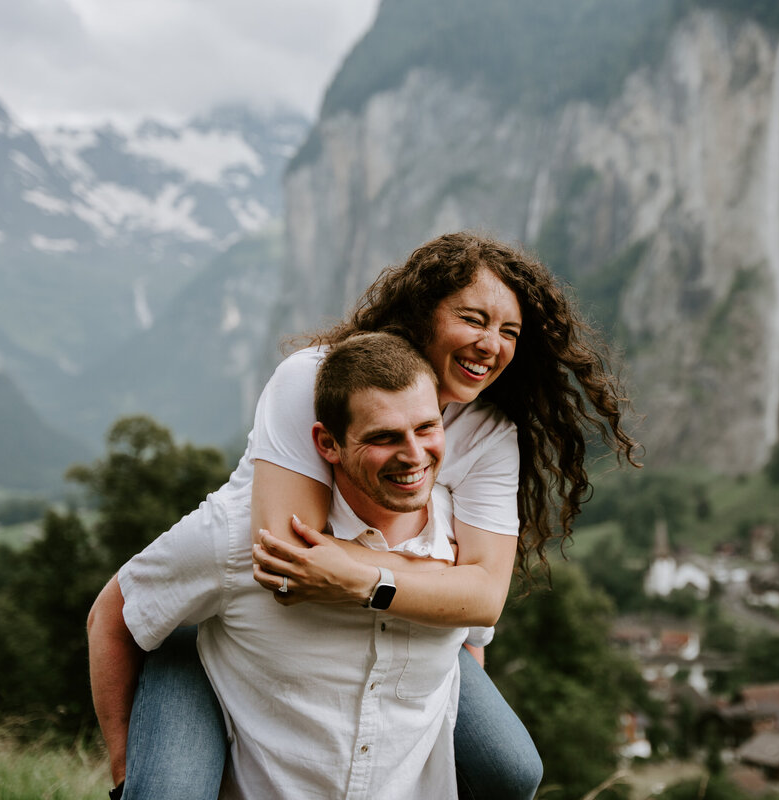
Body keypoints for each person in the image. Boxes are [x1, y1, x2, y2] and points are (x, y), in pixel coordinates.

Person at [91, 232, 641, 799]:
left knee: (512, 770)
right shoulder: (315, 378)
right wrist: (441, 576)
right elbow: (293, 564)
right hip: (255, 607)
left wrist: (384, 585)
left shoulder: (490, 432)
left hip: (407, 618)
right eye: (474, 319)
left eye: (509, 332)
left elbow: (481, 599)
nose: (490, 344)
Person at [89, 332, 473, 798]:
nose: (414, 455)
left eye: (426, 428)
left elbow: (470, 647)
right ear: (327, 443)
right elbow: (113, 616)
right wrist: (127, 775)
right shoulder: (242, 535)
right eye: (384, 437)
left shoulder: (462, 535)